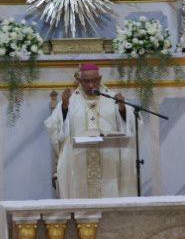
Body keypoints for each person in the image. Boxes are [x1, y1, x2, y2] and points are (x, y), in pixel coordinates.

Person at [45, 63, 137, 198]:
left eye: (94, 80)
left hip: (109, 162)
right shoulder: (71, 100)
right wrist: (64, 108)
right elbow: (55, 127)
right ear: (80, 81)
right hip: (79, 162)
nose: (91, 85)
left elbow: (130, 124)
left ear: (100, 79)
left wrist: (122, 110)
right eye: (86, 81)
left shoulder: (113, 98)